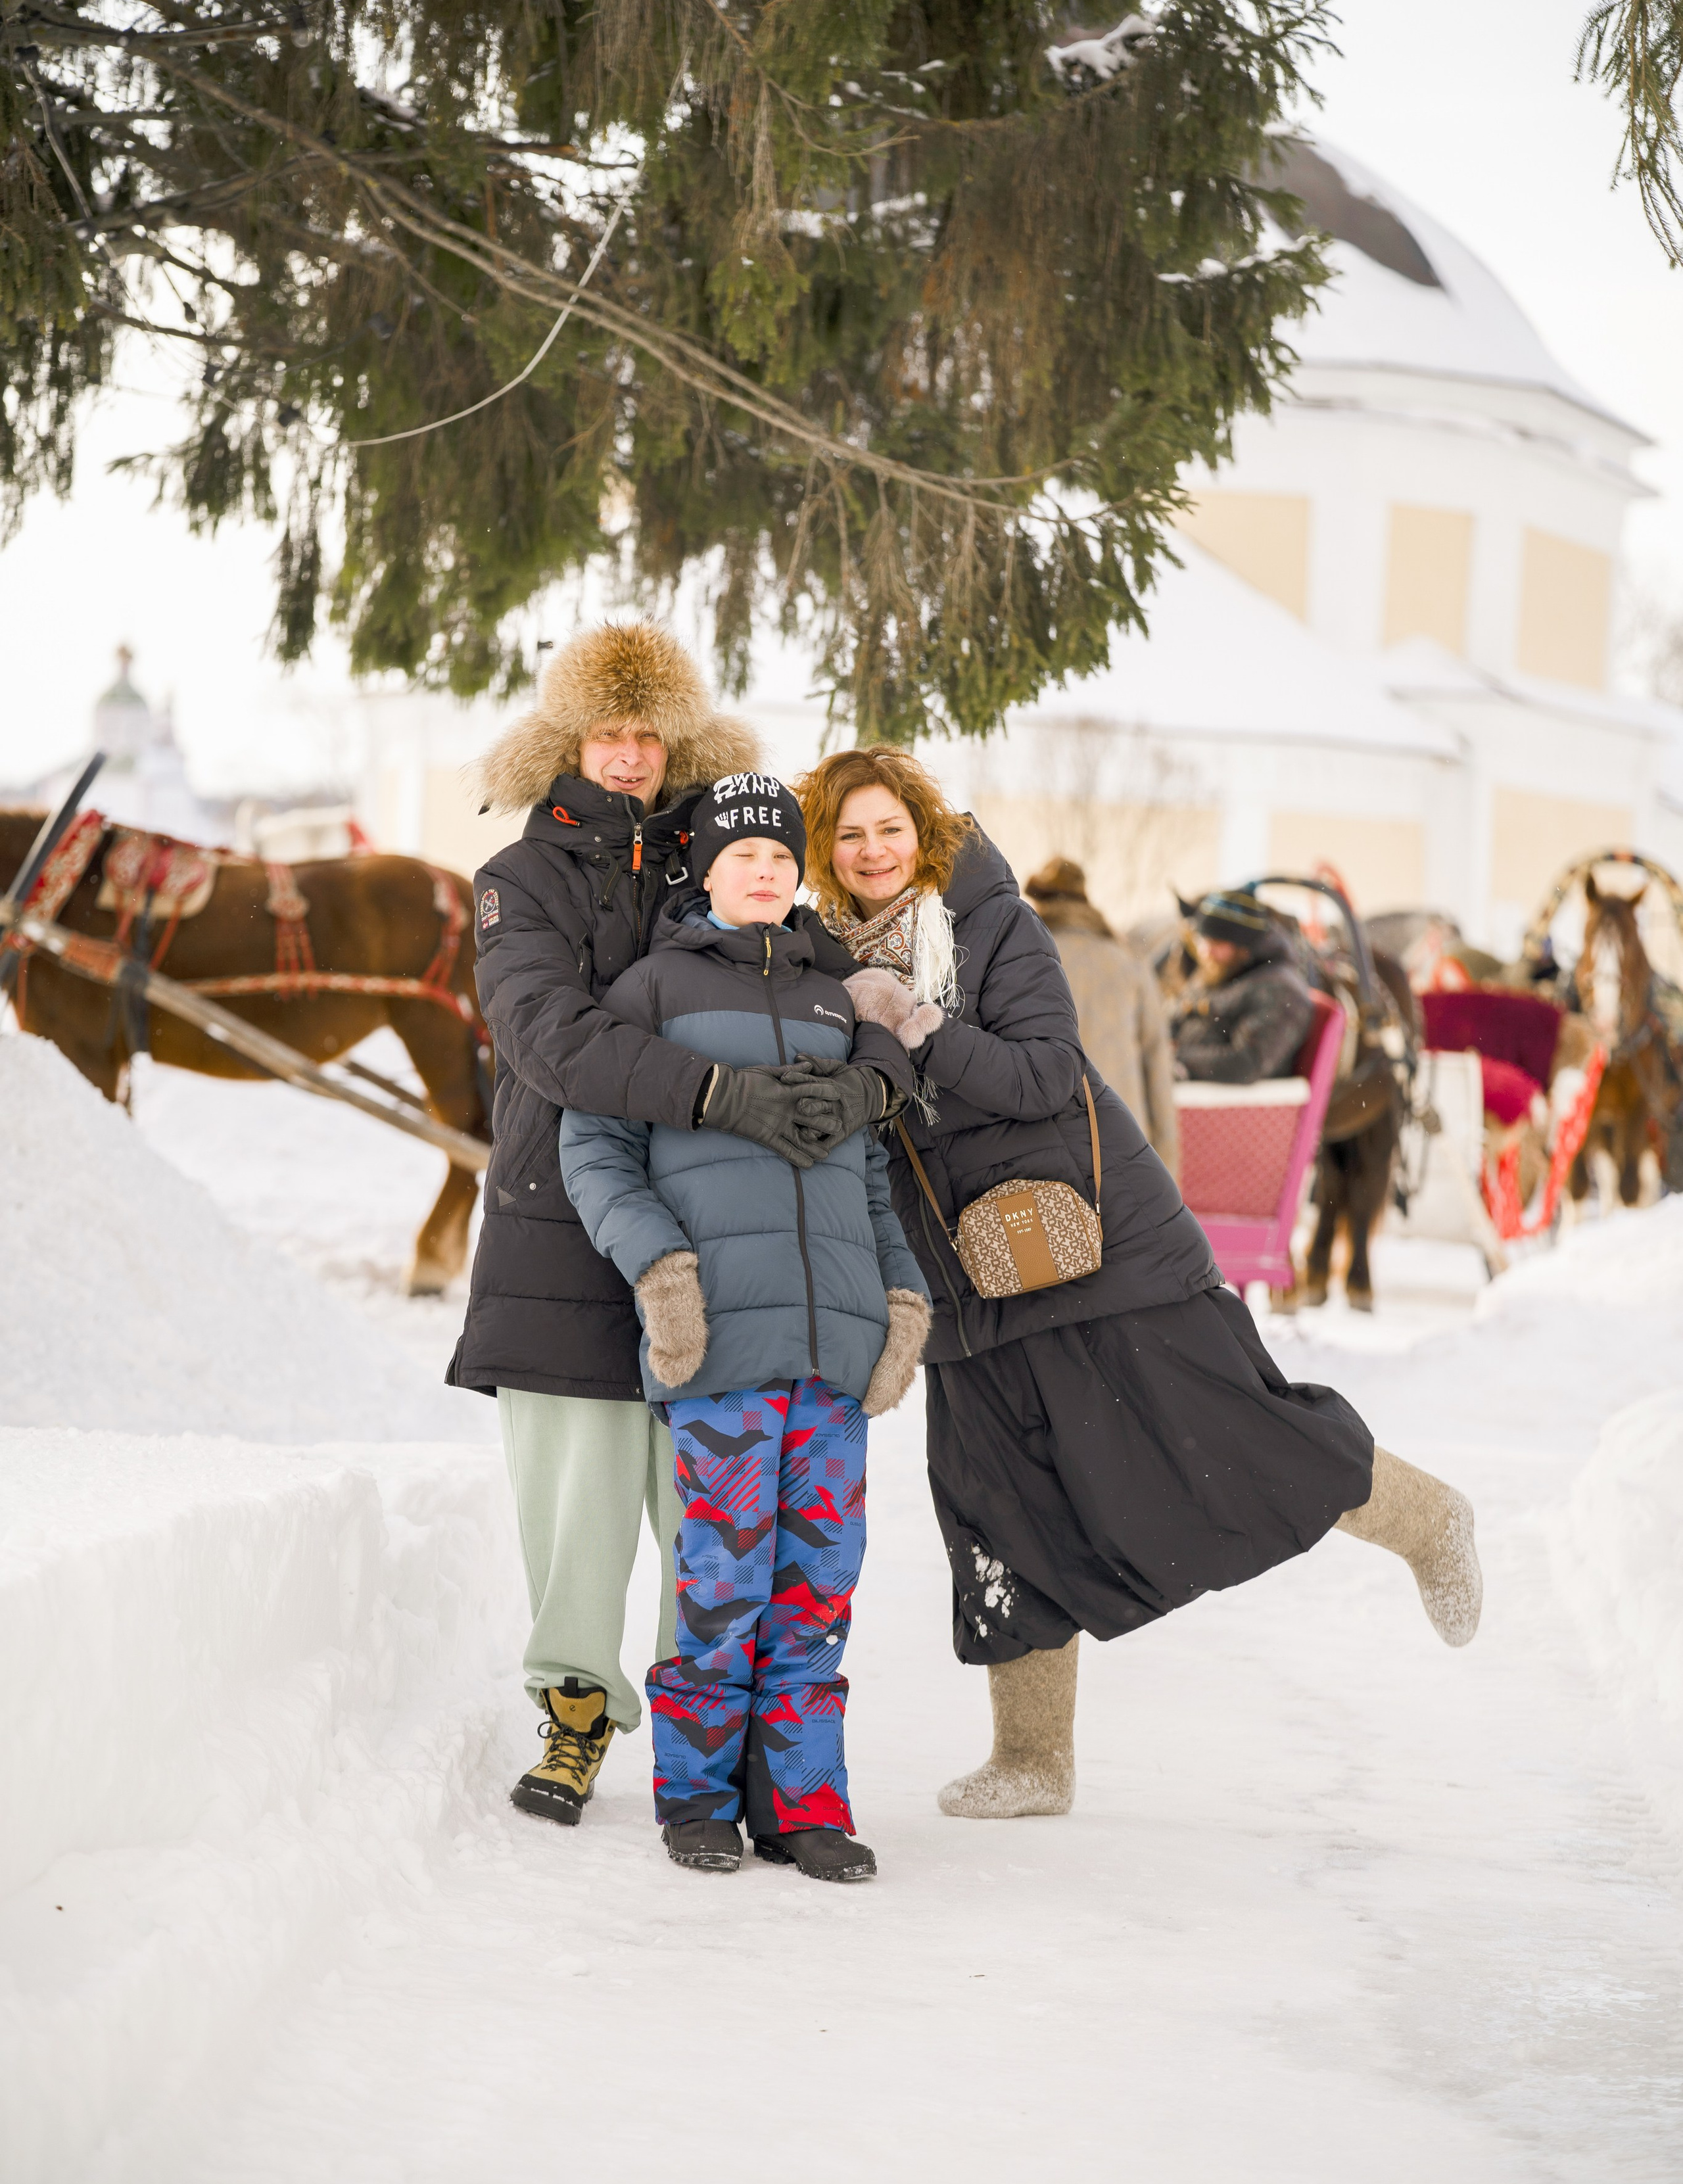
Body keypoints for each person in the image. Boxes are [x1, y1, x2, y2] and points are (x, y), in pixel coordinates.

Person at [796, 748, 1482, 1822]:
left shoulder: (990, 925)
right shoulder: (816, 964)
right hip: (962, 1272)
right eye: (849, 835)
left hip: (1094, 1239)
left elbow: (1043, 1073)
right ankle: (1033, 1759)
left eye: (890, 827)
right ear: (823, 852)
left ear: (922, 831)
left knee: (1230, 1434)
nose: (872, 850)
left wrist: (917, 1027)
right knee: (998, 1499)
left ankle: (1427, 1519)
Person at [449, 625, 913, 1830]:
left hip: (714, 1230)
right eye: (607, 732)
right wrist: (717, 1092)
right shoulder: (518, 879)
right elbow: (550, 1038)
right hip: (563, 1219)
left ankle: (709, 1745)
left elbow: (816, 980)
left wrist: (872, 1072)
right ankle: (574, 1713)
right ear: (568, 738)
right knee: (580, 1502)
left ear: (677, 743)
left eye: (648, 734)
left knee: (709, 1509)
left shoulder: (708, 853)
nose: (628, 754)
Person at [559, 774, 931, 1882]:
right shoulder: (651, 990)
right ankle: (697, 1800)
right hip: (721, 1346)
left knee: (819, 1592)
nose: (765, 872)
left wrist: (901, 1298)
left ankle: (804, 1808)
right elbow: (595, 1150)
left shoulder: (834, 1002)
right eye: (743, 856)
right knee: (721, 1587)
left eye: (780, 857)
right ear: (707, 871)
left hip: (835, 1353)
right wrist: (662, 1272)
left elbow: (869, 1177)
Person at [1024, 856, 1180, 1177]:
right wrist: (1167, 1166)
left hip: (1045, 1138)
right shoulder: (1127, 960)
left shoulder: (1023, 960)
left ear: (1040, 901)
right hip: (1123, 1136)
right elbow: (1157, 1064)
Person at [1170, 890, 1316, 1085]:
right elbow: (1183, 1011)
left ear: (1244, 947)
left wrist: (1177, 1056)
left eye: (1217, 942)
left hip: (1234, 1097)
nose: (1206, 952)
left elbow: (1246, 1064)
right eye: (1203, 940)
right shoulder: (1223, 970)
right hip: (1192, 1081)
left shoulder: (1280, 991)